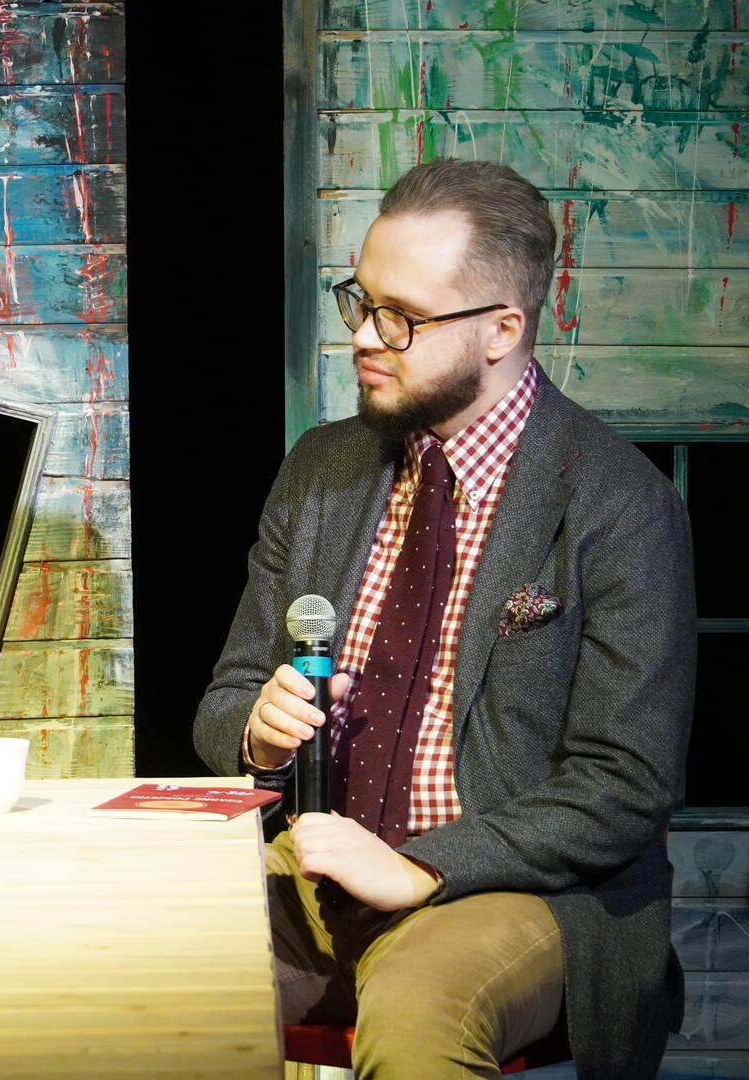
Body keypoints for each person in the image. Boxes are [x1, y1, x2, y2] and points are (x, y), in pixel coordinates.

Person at [194, 159, 693, 1079]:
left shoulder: (619, 503)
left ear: (502, 329)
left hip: (516, 889)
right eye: (360, 302)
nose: (363, 337)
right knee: (127, 959)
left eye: (402, 317)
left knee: (420, 1012)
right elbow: (227, 697)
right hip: (317, 869)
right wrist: (258, 737)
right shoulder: (321, 469)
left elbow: (624, 784)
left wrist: (421, 868)